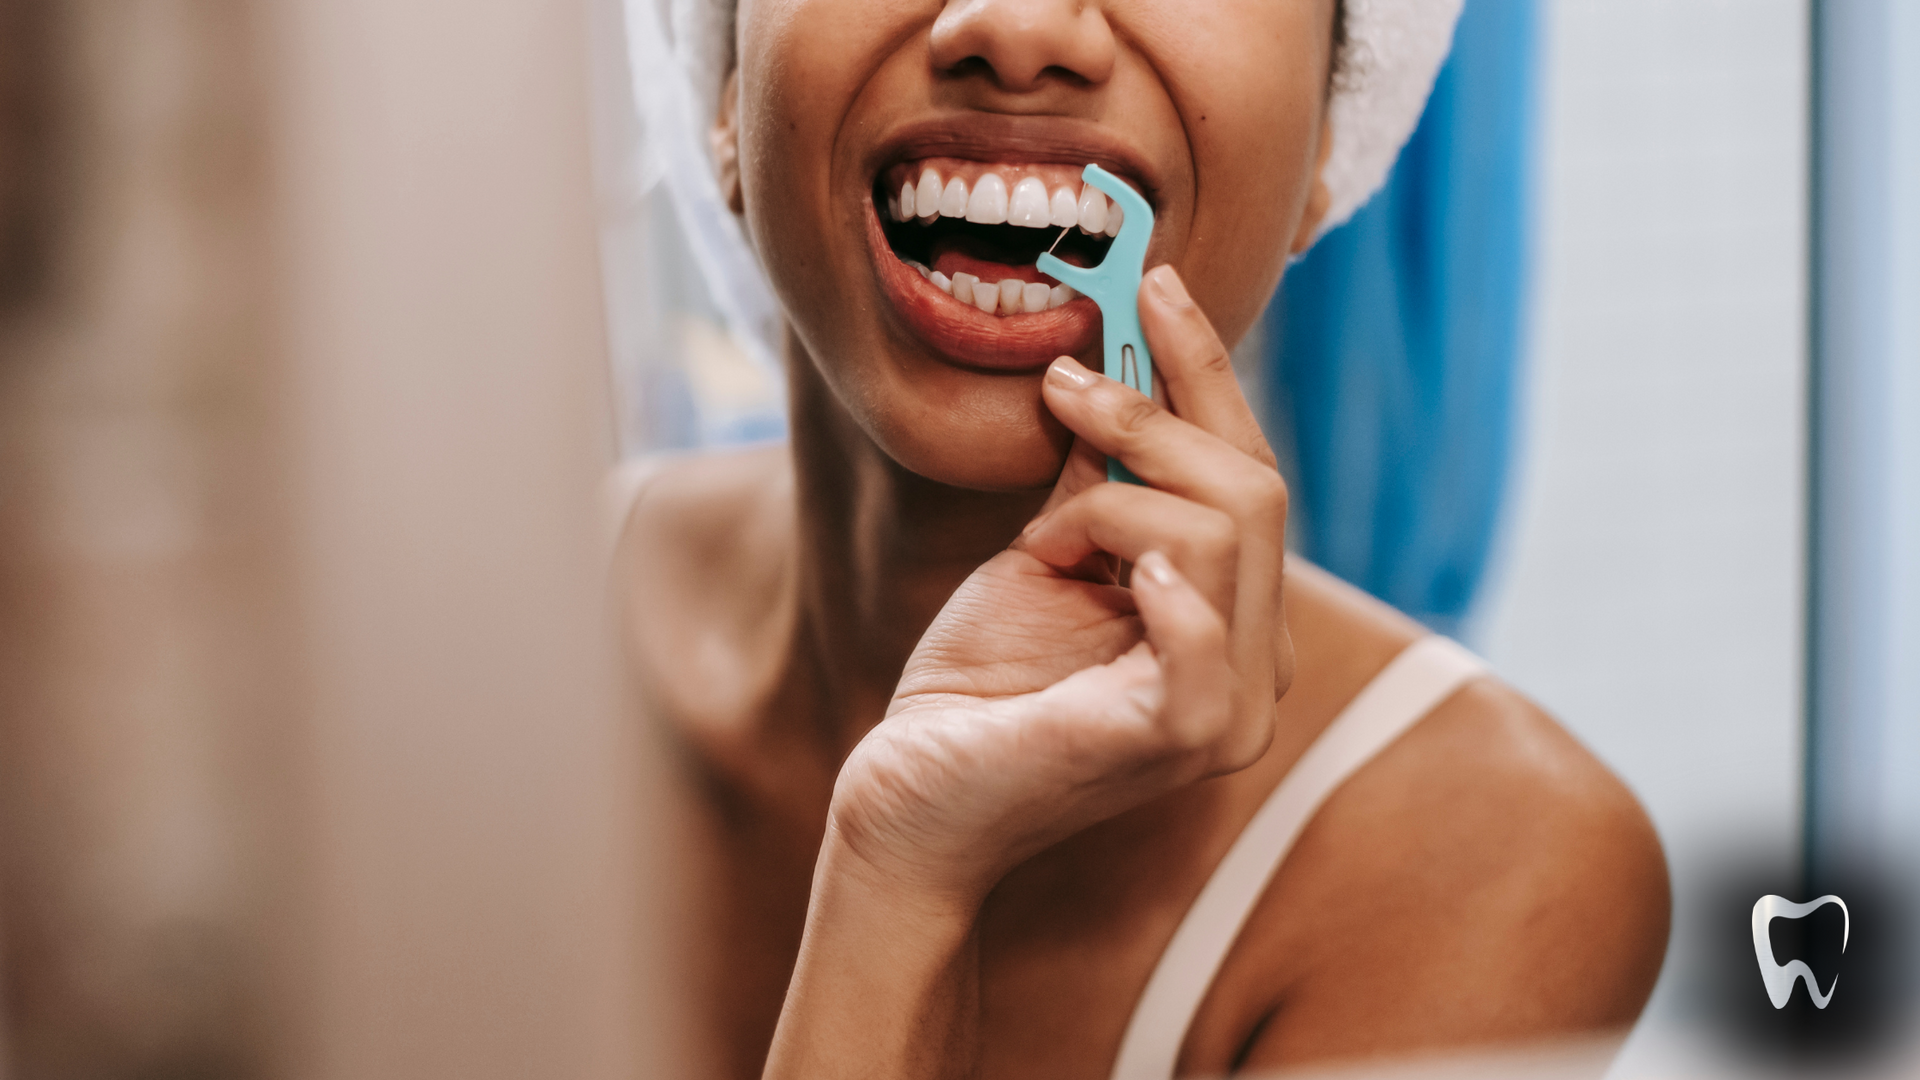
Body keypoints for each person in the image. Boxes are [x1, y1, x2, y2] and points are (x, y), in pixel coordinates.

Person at [613, 1, 1671, 1077]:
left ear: (1329, 142)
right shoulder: (461, 641)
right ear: (724, 82)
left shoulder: (1505, 872)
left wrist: (908, 871)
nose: (1019, 30)